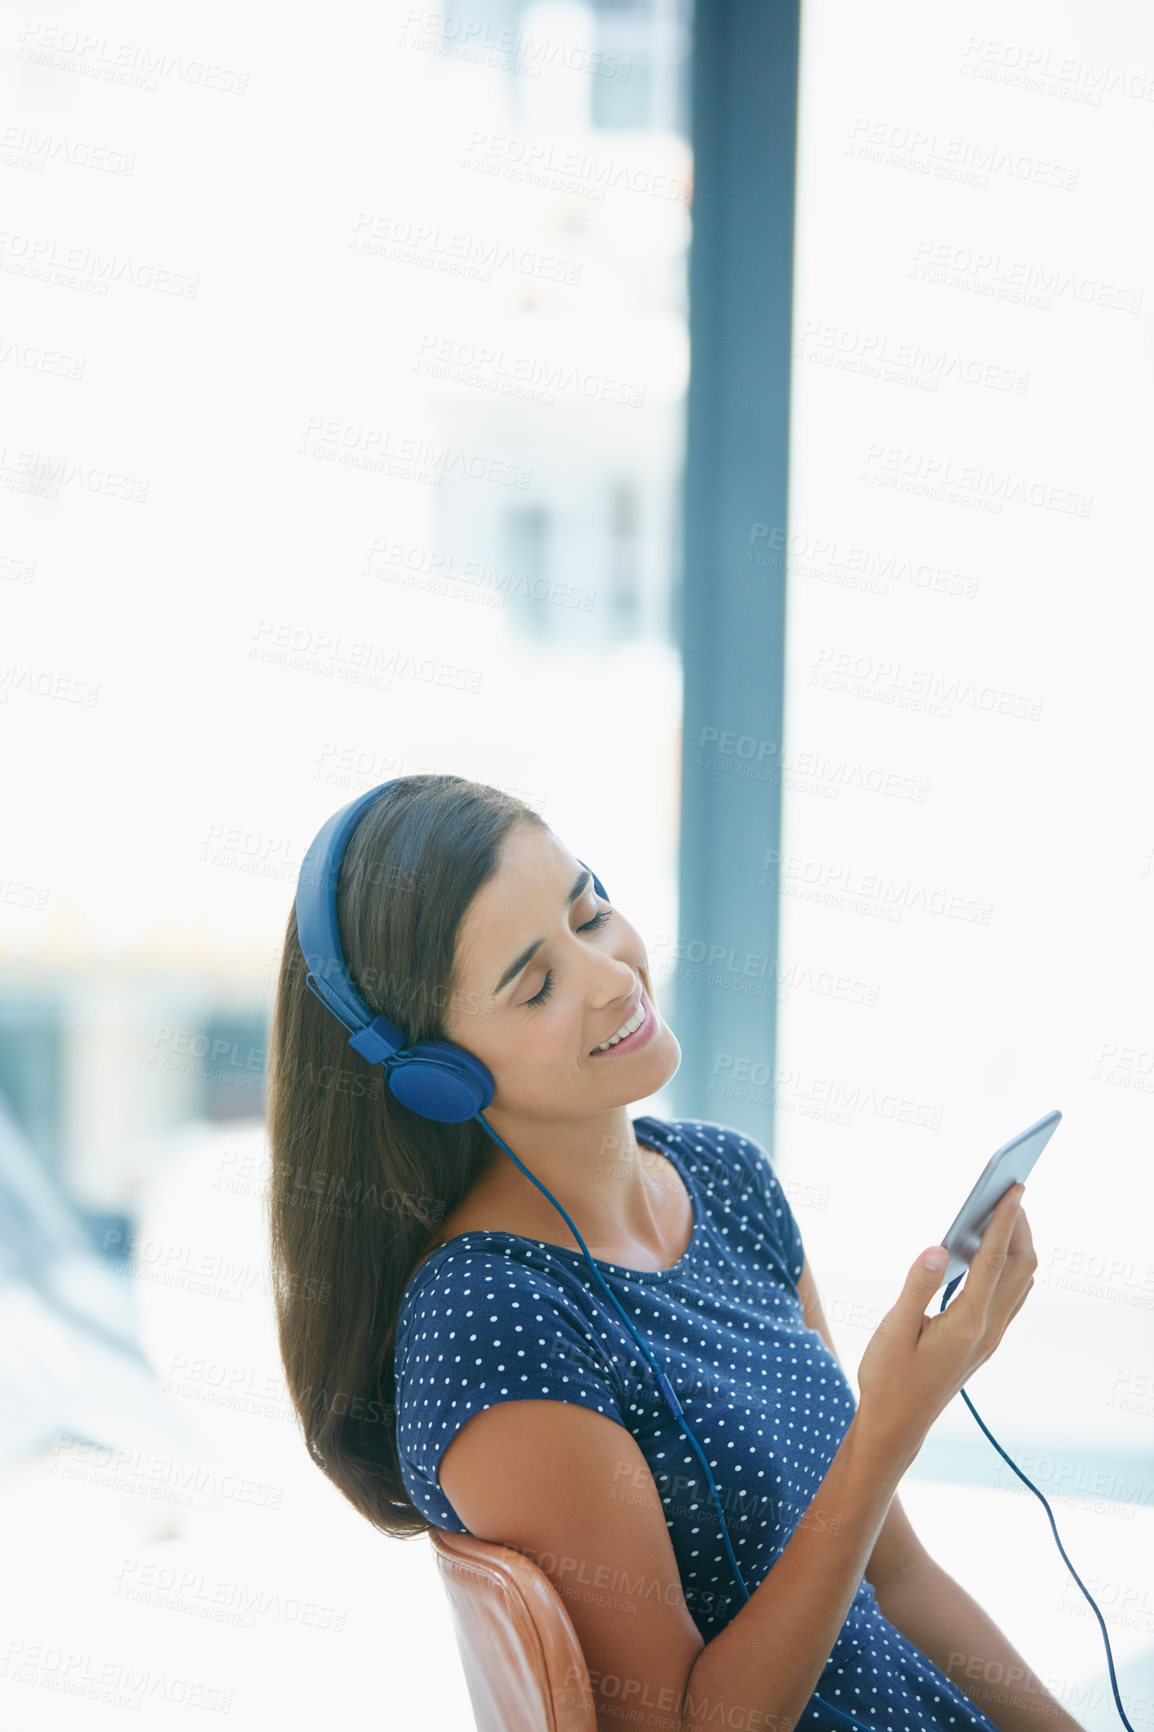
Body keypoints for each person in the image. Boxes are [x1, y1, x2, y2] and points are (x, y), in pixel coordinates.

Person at [267, 774, 1078, 1732]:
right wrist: (886, 1434)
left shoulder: (725, 1178)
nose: (613, 977)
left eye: (591, 911)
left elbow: (898, 1579)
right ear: (437, 1077)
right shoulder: (492, 1321)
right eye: (536, 985)